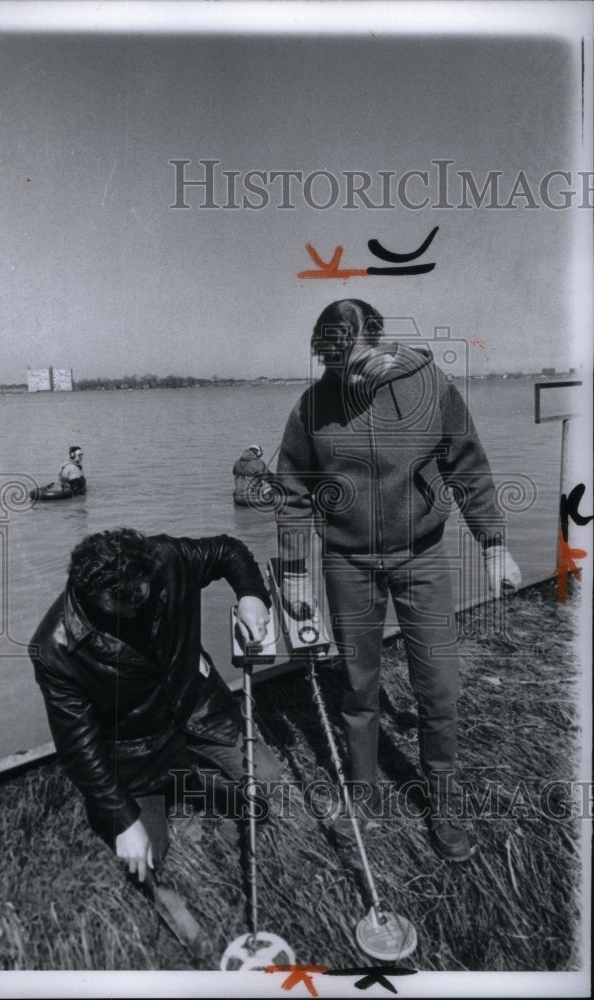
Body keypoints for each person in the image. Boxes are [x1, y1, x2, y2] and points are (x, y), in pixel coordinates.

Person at [275, 298, 522, 862]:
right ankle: (361, 796)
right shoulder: (311, 407)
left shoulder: (429, 386)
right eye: (334, 368)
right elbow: (292, 498)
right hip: (348, 562)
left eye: (356, 364)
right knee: (359, 688)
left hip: (423, 556)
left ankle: (443, 803)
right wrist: (293, 573)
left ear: (382, 346)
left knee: (439, 686)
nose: (347, 378)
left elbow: (468, 463)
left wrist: (494, 543)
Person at [30, 527, 279, 883]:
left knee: (266, 782)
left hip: (198, 707)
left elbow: (228, 550)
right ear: (90, 595)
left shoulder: (166, 557)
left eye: (142, 599)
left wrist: (252, 594)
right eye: (121, 607)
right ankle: (171, 790)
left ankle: (197, 784)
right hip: (137, 746)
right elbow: (79, 748)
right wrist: (124, 821)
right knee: (147, 857)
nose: (135, 613)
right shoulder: (54, 649)